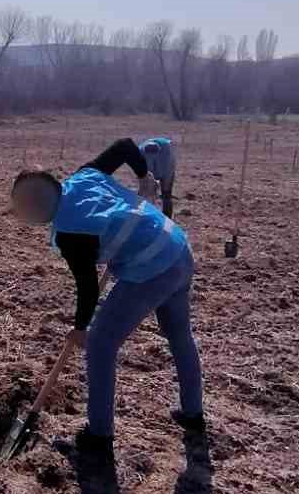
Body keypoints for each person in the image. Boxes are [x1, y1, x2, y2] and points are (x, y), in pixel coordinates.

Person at [11, 137, 204, 450]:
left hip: (152, 269)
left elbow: (87, 287)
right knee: (179, 333)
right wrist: (144, 177)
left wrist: (80, 329)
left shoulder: (71, 232)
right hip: (178, 247)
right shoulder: (84, 176)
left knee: (100, 343)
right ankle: (194, 413)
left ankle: (99, 436)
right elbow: (126, 146)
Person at [139, 135, 176, 218]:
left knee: (166, 195)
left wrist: (164, 186)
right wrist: (147, 183)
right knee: (146, 192)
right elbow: (143, 173)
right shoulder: (141, 152)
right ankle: (144, 216)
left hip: (166, 171)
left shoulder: (166, 154)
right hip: (148, 172)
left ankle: (167, 218)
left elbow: (168, 172)